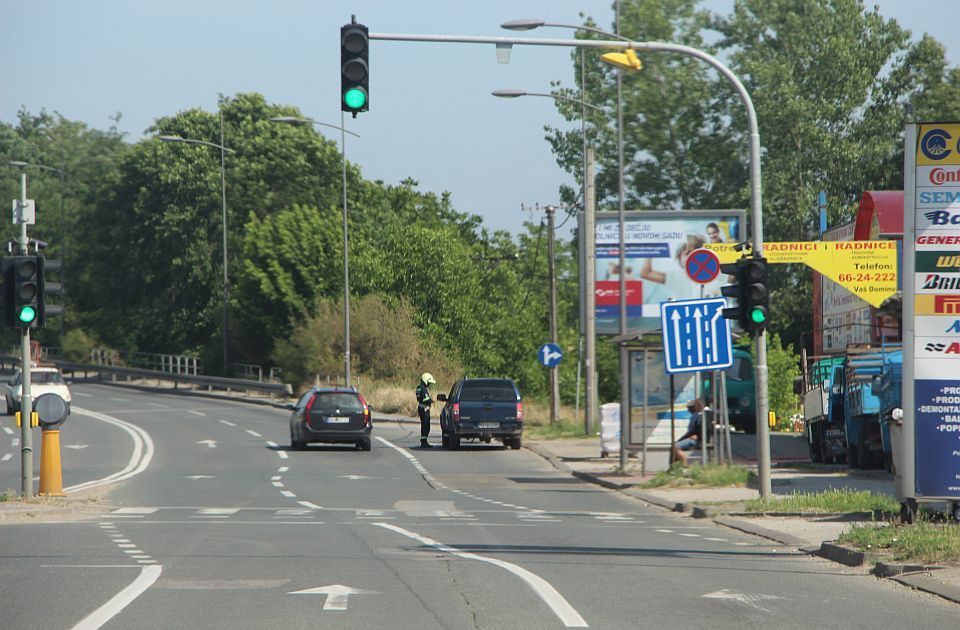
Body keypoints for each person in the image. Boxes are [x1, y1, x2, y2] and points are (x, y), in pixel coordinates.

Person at [673, 399, 704, 465]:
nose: (688, 410)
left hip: (696, 439)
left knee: (675, 447)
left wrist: (681, 439)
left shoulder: (698, 416)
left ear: (694, 407)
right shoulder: (694, 416)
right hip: (693, 438)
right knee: (674, 447)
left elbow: (694, 430)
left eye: (689, 408)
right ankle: (674, 466)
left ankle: (685, 466)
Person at [415, 372, 437, 448]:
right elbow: (426, 399)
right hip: (424, 409)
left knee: (424, 425)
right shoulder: (423, 389)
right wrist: (432, 401)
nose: (429, 385)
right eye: (429, 383)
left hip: (421, 408)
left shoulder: (418, 387)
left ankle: (424, 441)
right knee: (425, 425)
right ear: (425, 380)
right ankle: (424, 442)